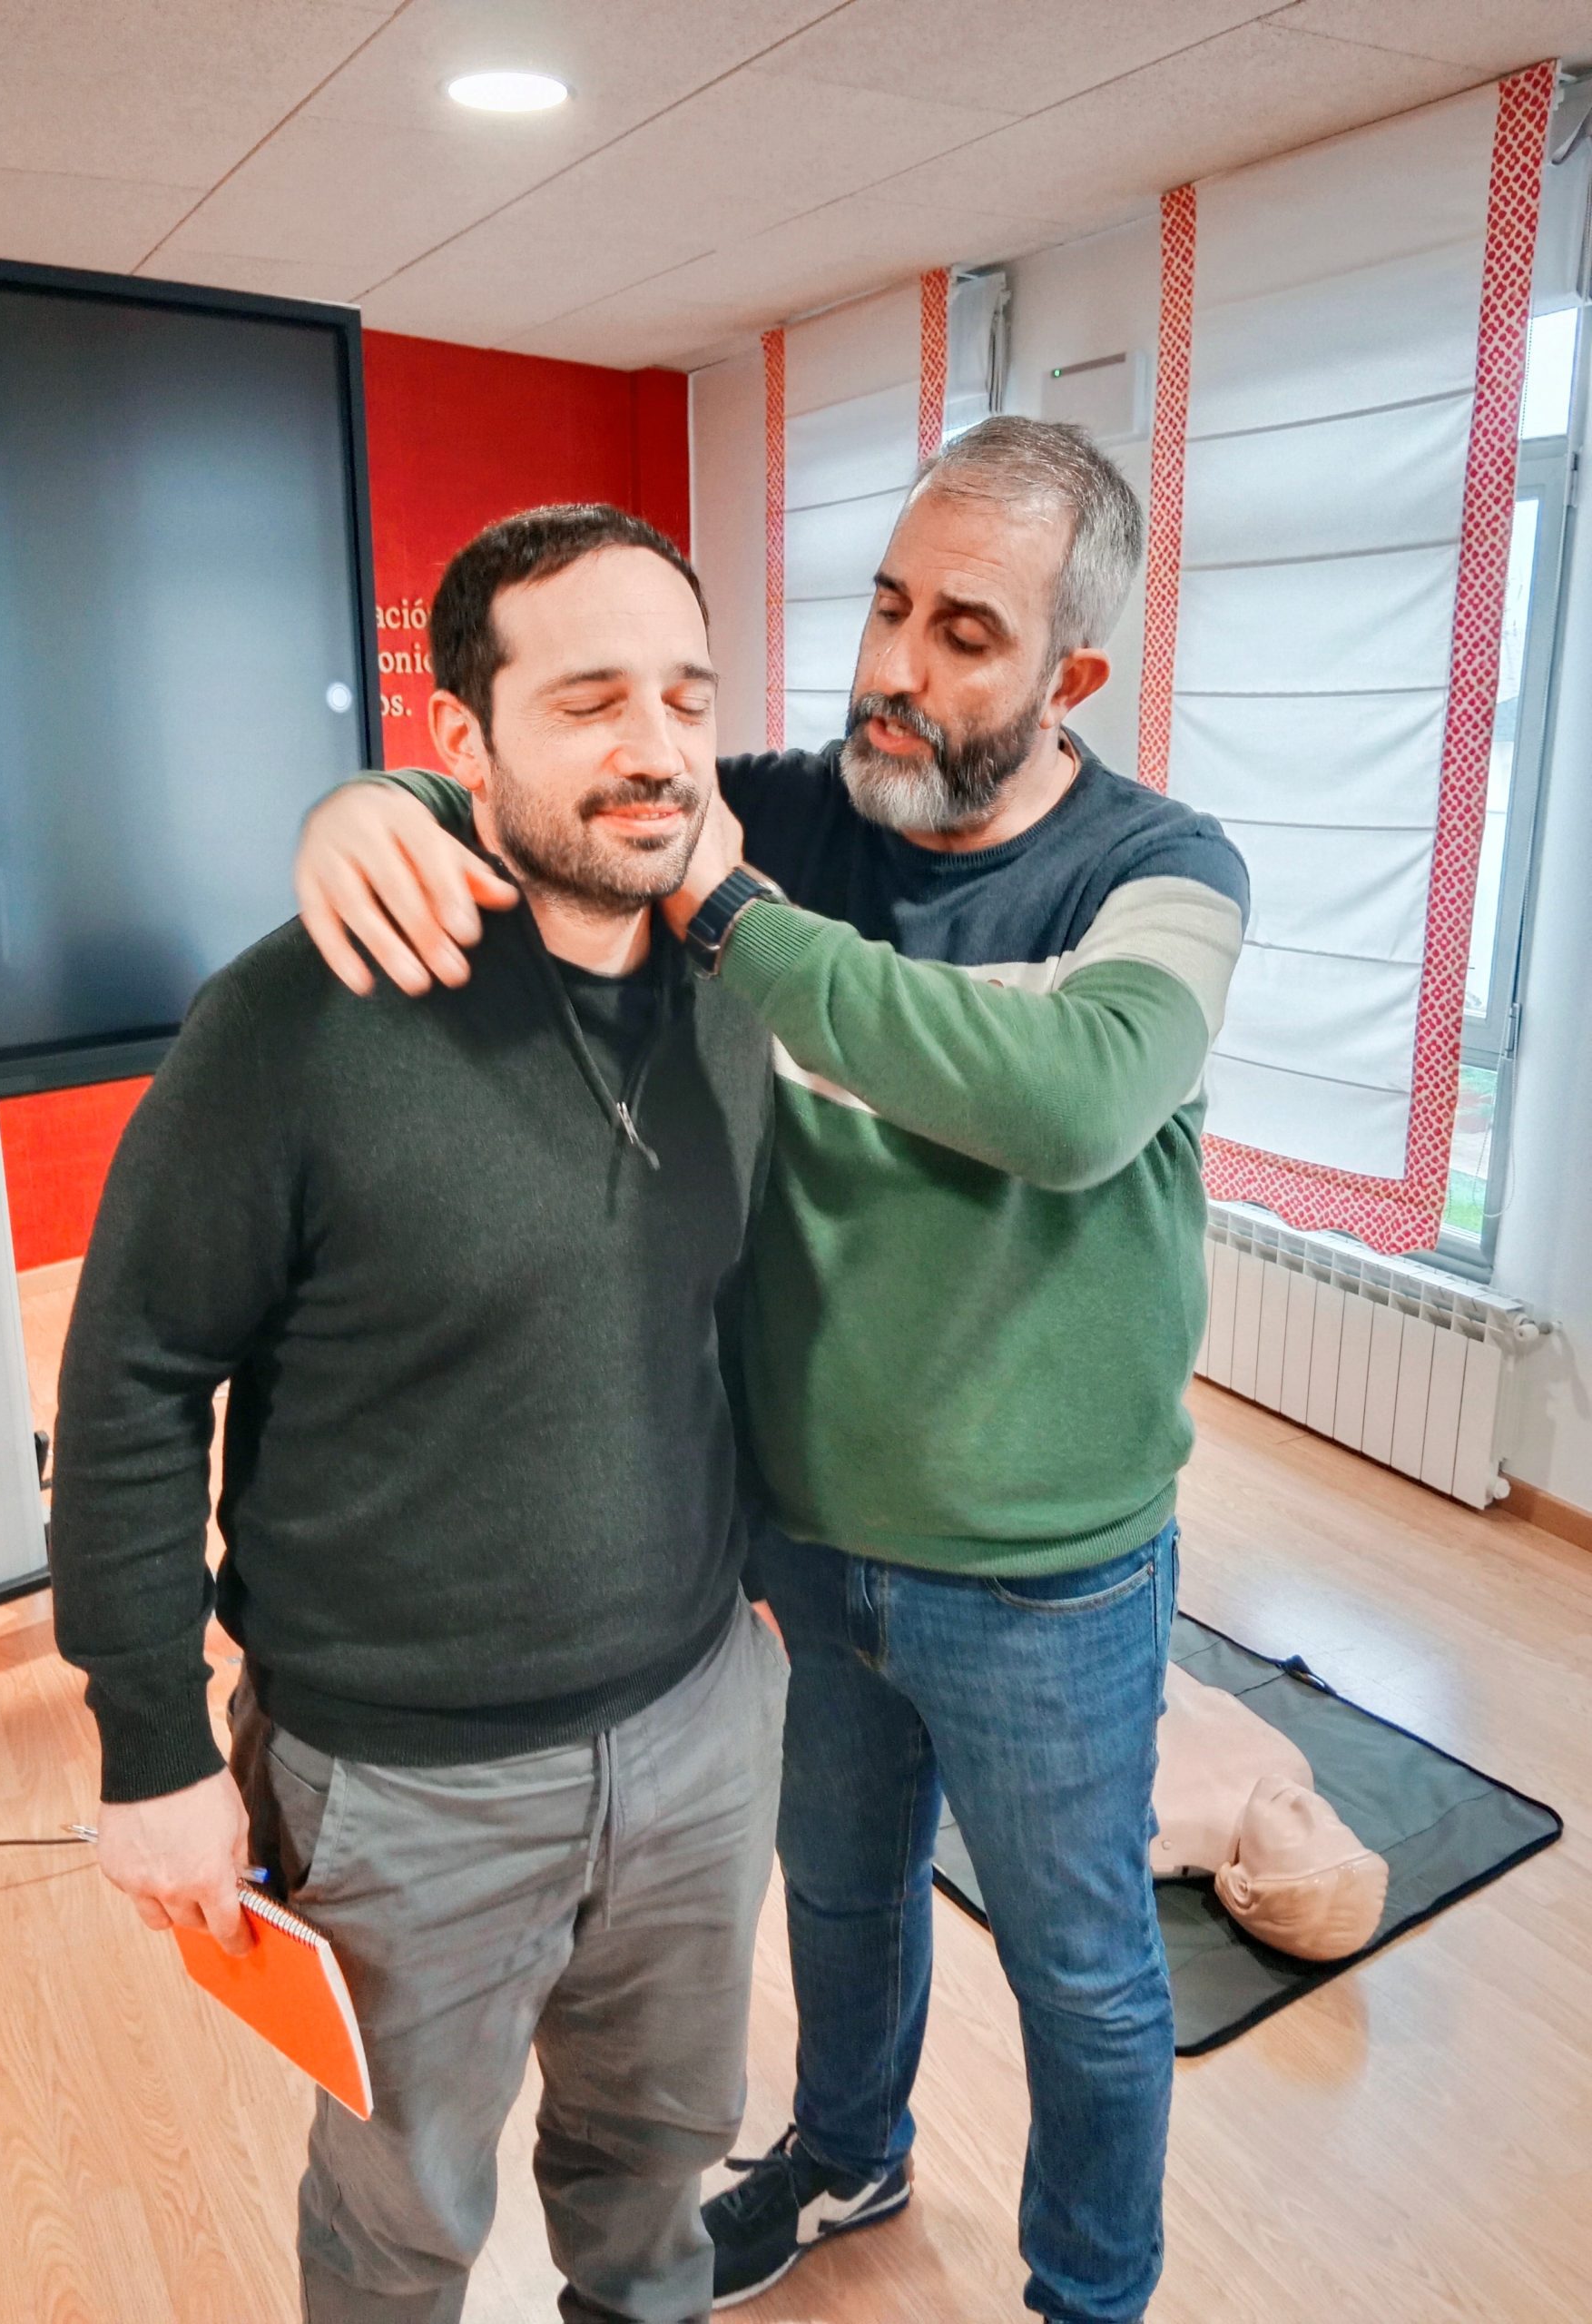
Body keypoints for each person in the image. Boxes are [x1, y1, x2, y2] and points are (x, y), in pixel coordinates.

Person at [292, 418, 1250, 2324]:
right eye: (887, 606)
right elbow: (561, 791)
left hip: (1045, 1568)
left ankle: (1090, 2293)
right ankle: (845, 2151)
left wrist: (735, 918)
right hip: (804, 1531)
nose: (895, 664)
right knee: (837, 1895)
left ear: (1068, 676)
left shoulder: (1159, 868)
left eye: (964, 634)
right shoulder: (796, 806)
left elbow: (1074, 1103)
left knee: (1081, 1971)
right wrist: (374, 803)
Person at [50, 504, 787, 2324]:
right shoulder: (295, 1015)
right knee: (402, 2226)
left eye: (688, 696)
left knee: (661, 2162)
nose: (657, 746)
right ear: (463, 738)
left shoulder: (736, 984)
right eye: (591, 700)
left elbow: (731, 1320)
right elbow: (134, 1376)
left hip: (698, 1723)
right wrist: (150, 1747)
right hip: (407, 1783)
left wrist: (759, 1591)